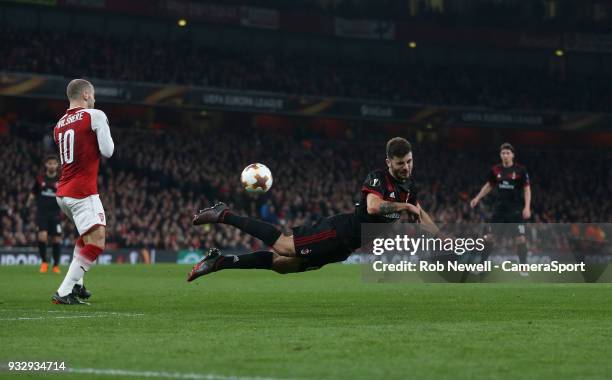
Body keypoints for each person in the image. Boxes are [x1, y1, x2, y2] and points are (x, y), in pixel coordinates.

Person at [187, 137, 438, 281]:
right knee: (284, 246)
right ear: (388, 162)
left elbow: (420, 212)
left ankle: (218, 262)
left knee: (281, 265)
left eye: (409, 161)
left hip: (344, 248)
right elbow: (373, 208)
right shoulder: (378, 178)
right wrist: (405, 206)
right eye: (400, 163)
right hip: (337, 231)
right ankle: (224, 214)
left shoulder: (409, 188)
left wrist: (444, 239)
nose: (406, 167)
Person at [51, 79, 115, 304]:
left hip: (63, 193)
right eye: (94, 95)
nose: (95, 99)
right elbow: (108, 151)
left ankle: (77, 285)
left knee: (86, 238)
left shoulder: (58, 125)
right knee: (96, 242)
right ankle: (64, 291)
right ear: (86, 94)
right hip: (82, 192)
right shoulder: (94, 115)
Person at [470, 142, 531, 276]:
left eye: (508, 153)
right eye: (503, 153)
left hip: (515, 211)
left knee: (521, 238)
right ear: (500, 155)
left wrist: (527, 207)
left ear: (513, 155)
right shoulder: (495, 170)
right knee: (489, 237)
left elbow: (527, 189)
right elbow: (489, 186)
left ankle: (523, 268)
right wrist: (477, 197)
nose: (505, 155)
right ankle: (481, 266)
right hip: (499, 210)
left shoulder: (521, 170)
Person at [27, 155, 62, 274]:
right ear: (46, 165)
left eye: (54, 163)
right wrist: (28, 204)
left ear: (57, 165)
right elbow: (33, 192)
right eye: (50, 163)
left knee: (56, 239)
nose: (52, 165)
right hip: (42, 213)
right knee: (42, 236)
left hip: (56, 213)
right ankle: (44, 263)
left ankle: (56, 265)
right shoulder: (40, 179)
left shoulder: (61, 179)